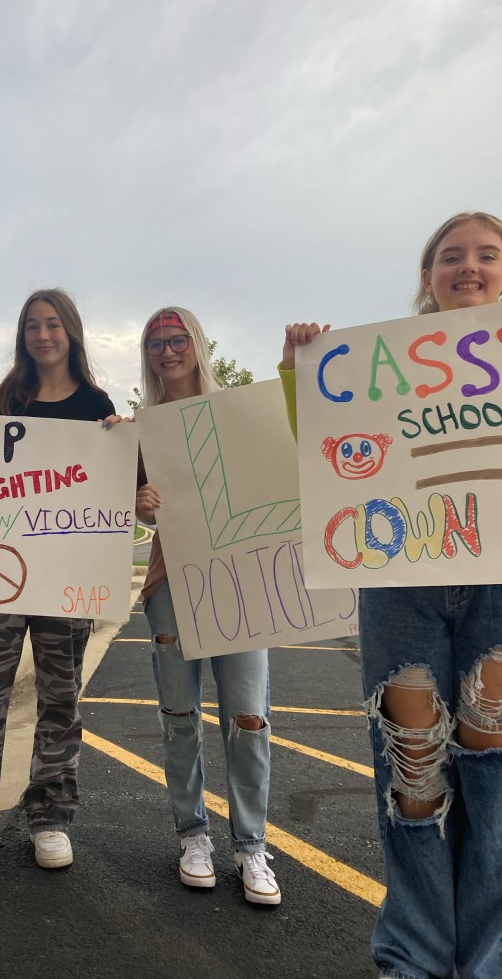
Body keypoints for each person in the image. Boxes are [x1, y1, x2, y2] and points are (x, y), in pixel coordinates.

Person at [280, 212, 502, 979]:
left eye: (487, 255)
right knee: (415, 777)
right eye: (451, 257)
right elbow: (321, 454)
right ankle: (413, 956)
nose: (468, 267)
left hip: (498, 586)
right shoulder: (378, 366)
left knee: (494, 766)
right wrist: (297, 370)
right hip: (401, 581)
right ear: (427, 276)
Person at [0, 288, 116, 872]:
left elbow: (115, 487)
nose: (43, 336)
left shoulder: (97, 404)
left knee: (60, 700)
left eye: (53, 325)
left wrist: (119, 445)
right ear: (23, 335)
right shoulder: (2, 397)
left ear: (71, 332)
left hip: (66, 578)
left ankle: (50, 817)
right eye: (33, 326)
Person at [134, 307, 280, 905]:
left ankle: (251, 846)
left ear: (197, 344)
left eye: (178, 340)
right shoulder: (141, 428)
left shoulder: (236, 413)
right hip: (171, 583)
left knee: (249, 718)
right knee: (178, 716)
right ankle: (193, 834)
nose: (168, 352)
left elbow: (281, 466)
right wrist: (138, 500)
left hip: (241, 580)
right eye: (156, 344)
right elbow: (122, 503)